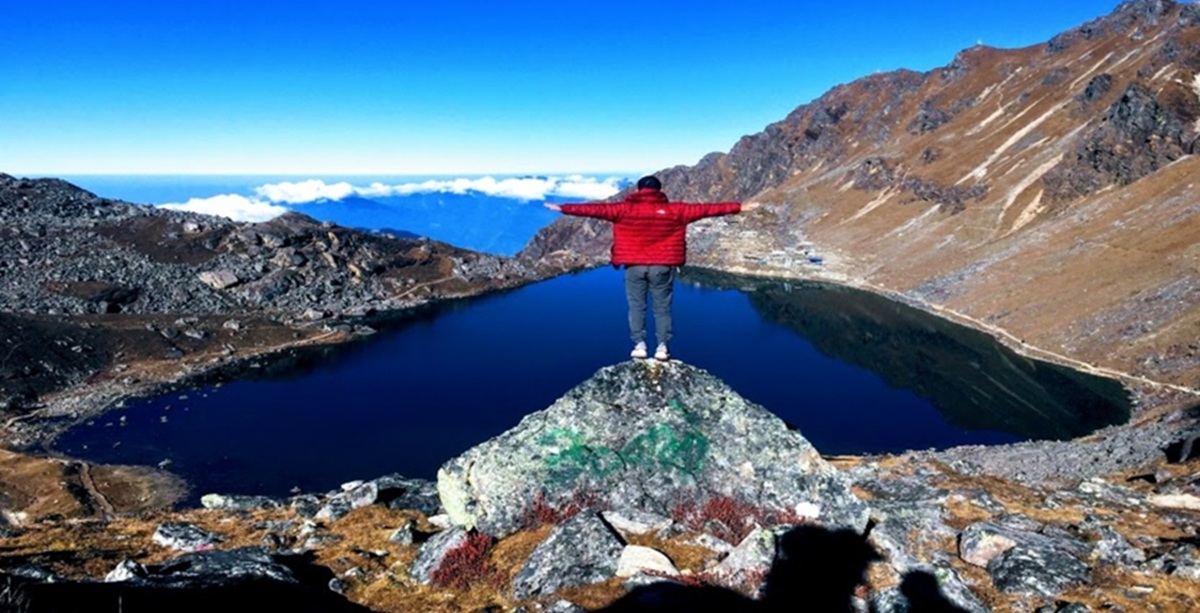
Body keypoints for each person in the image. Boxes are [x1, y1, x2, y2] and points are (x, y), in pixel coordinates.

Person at [545, 175, 760, 361]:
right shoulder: (677, 210)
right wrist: (739, 207)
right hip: (662, 267)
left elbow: (594, 210)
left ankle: (639, 346)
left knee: (636, 306)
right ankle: (662, 348)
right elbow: (707, 209)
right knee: (662, 308)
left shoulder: (622, 209)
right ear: (659, 190)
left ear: (638, 190)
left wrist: (563, 208)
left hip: (634, 266)